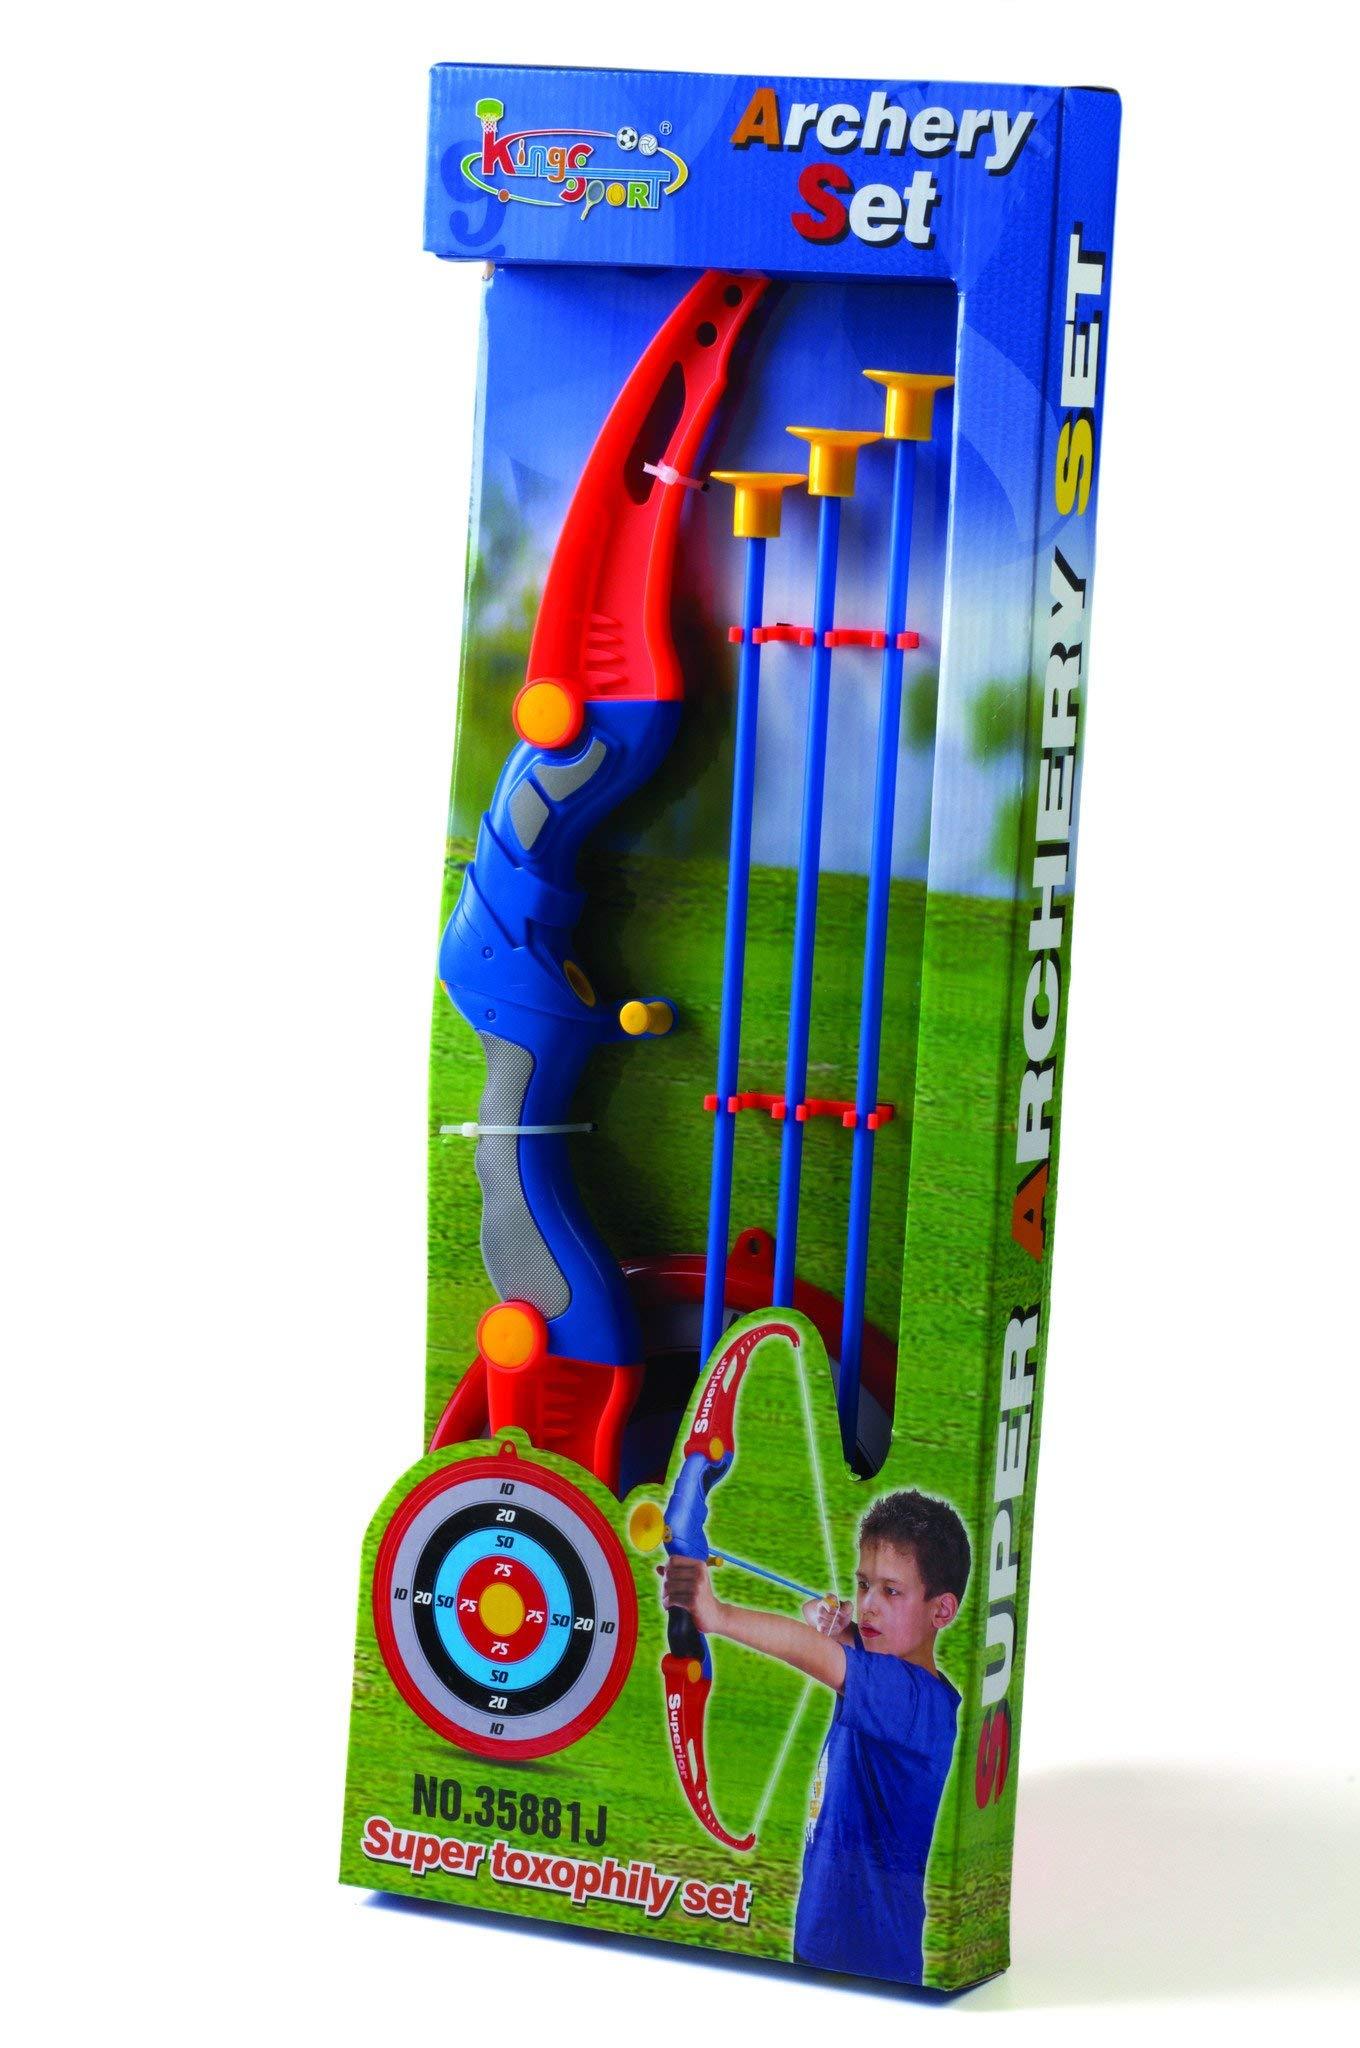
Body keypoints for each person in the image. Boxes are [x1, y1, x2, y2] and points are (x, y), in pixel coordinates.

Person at [662, 1487, 969, 1983]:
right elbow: (819, 1622)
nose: (869, 1606)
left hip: (869, 1964)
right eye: (863, 1585)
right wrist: (835, 1617)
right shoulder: (883, 1662)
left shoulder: (915, 1702)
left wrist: (717, 1615)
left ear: (942, 1610)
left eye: (892, 1592)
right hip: (820, 1940)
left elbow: (815, 1651)